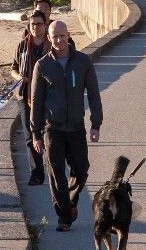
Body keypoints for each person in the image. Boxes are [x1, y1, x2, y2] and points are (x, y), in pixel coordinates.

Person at [31, 19, 103, 231]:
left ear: (69, 35)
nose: (60, 40)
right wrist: (36, 133)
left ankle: (70, 202)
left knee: (81, 170)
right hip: (52, 128)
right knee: (56, 175)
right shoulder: (42, 65)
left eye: (63, 36)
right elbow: (36, 101)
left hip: (76, 127)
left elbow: (94, 94)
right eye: (55, 37)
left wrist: (96, 124)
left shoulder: (83, 62)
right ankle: (64, 218)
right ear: (49, 38)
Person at [11, 10, 51, 187]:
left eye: (39, 24)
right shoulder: (21, 46)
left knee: (47, 133)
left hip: (48, 95)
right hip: (24, 95)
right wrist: (19, 76)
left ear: (45, 25)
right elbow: (13, 69)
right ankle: (36, 173)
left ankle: (51, 168)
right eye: (32, 24)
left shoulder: (52, 45)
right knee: (29, 135)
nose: (35, 27)